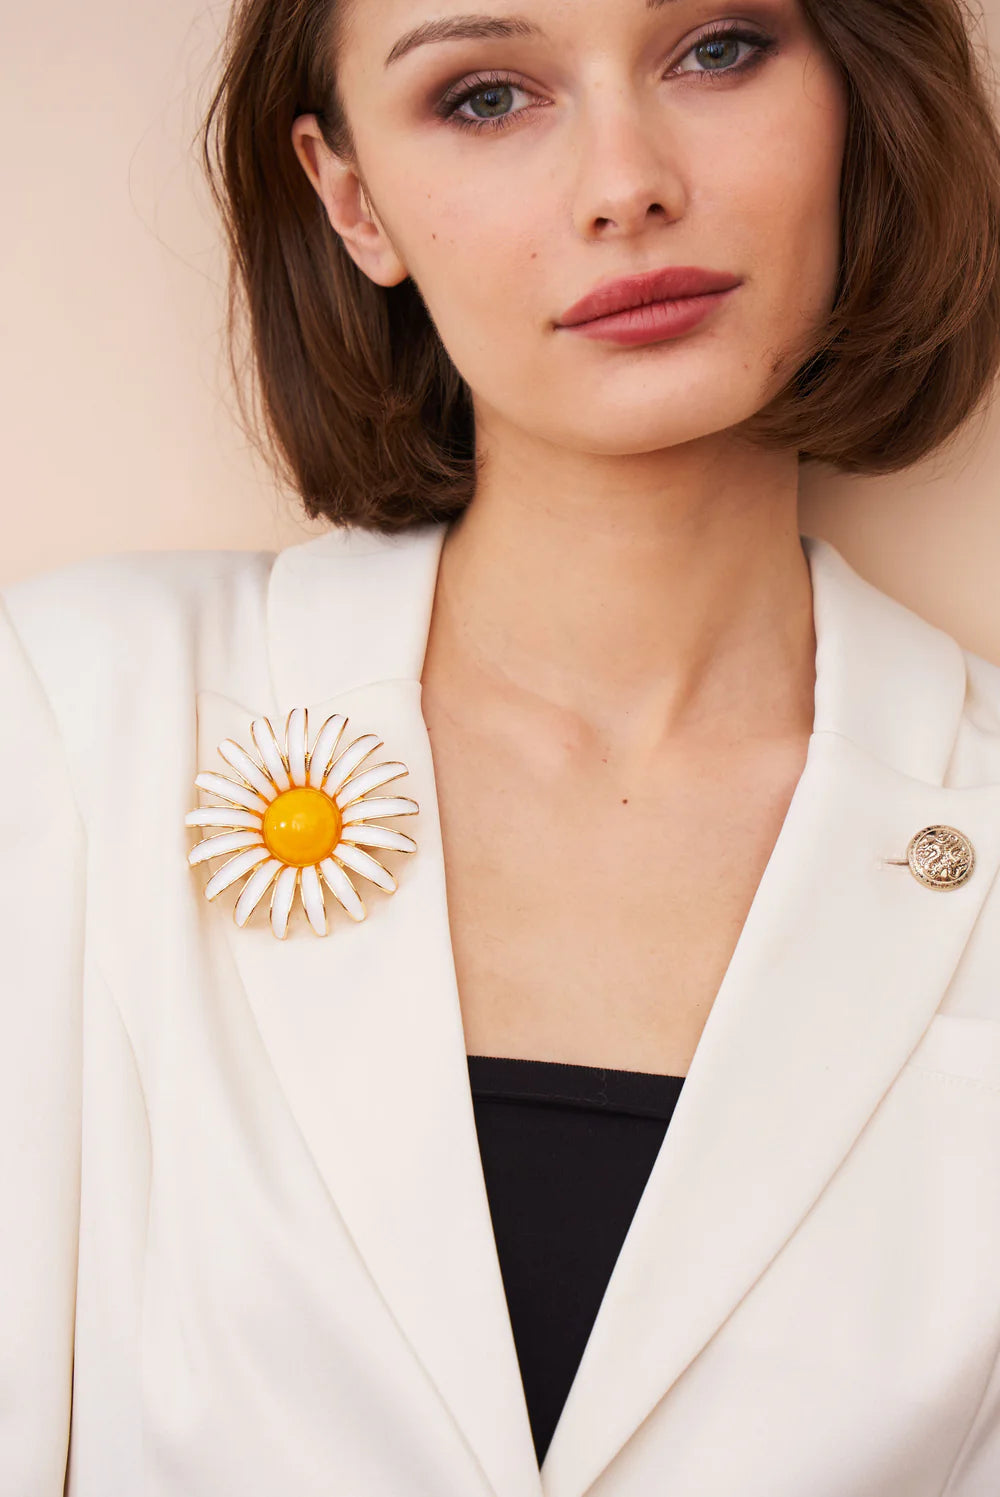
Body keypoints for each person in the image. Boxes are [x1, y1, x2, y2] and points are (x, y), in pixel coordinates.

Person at [5, 0, 1000, 1490]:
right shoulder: (78, 718)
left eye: (717, 51)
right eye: (485, 96)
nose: (625, 183)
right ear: (349, 196)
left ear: (854, 99)